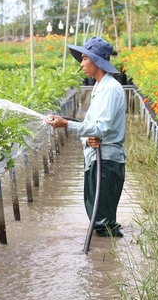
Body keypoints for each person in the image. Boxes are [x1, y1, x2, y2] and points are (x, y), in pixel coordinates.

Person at [47, 36, 126, 238]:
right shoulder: (100, 87)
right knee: (97, 217)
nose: (81, 64)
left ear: (97, 61)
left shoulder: (110, 89)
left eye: (84, 58)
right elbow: (93, 128)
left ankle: (107, 263)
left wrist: (66, 124)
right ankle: (105, 259)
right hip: (98, 158)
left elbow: (100, 128)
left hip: (106, 161)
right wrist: (86, 138)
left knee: (103, 223)